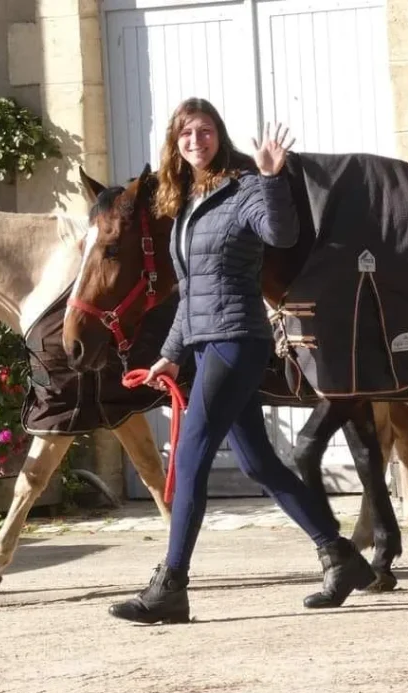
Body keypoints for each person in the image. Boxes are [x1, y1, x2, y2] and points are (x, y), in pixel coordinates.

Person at [109, 98, 375, 624]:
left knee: (188, 460)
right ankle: (340, 557)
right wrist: (169, 356)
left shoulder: (246, 186)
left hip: (238, 340)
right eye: (186, 134)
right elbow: (190, 293)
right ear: (175, 143)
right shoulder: (185, 202)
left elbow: (281, 235)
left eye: (204, 131)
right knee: (258, 463)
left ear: (219, 136)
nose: (196, 141)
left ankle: (171, 586)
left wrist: (273, 177)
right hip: (207, 342)